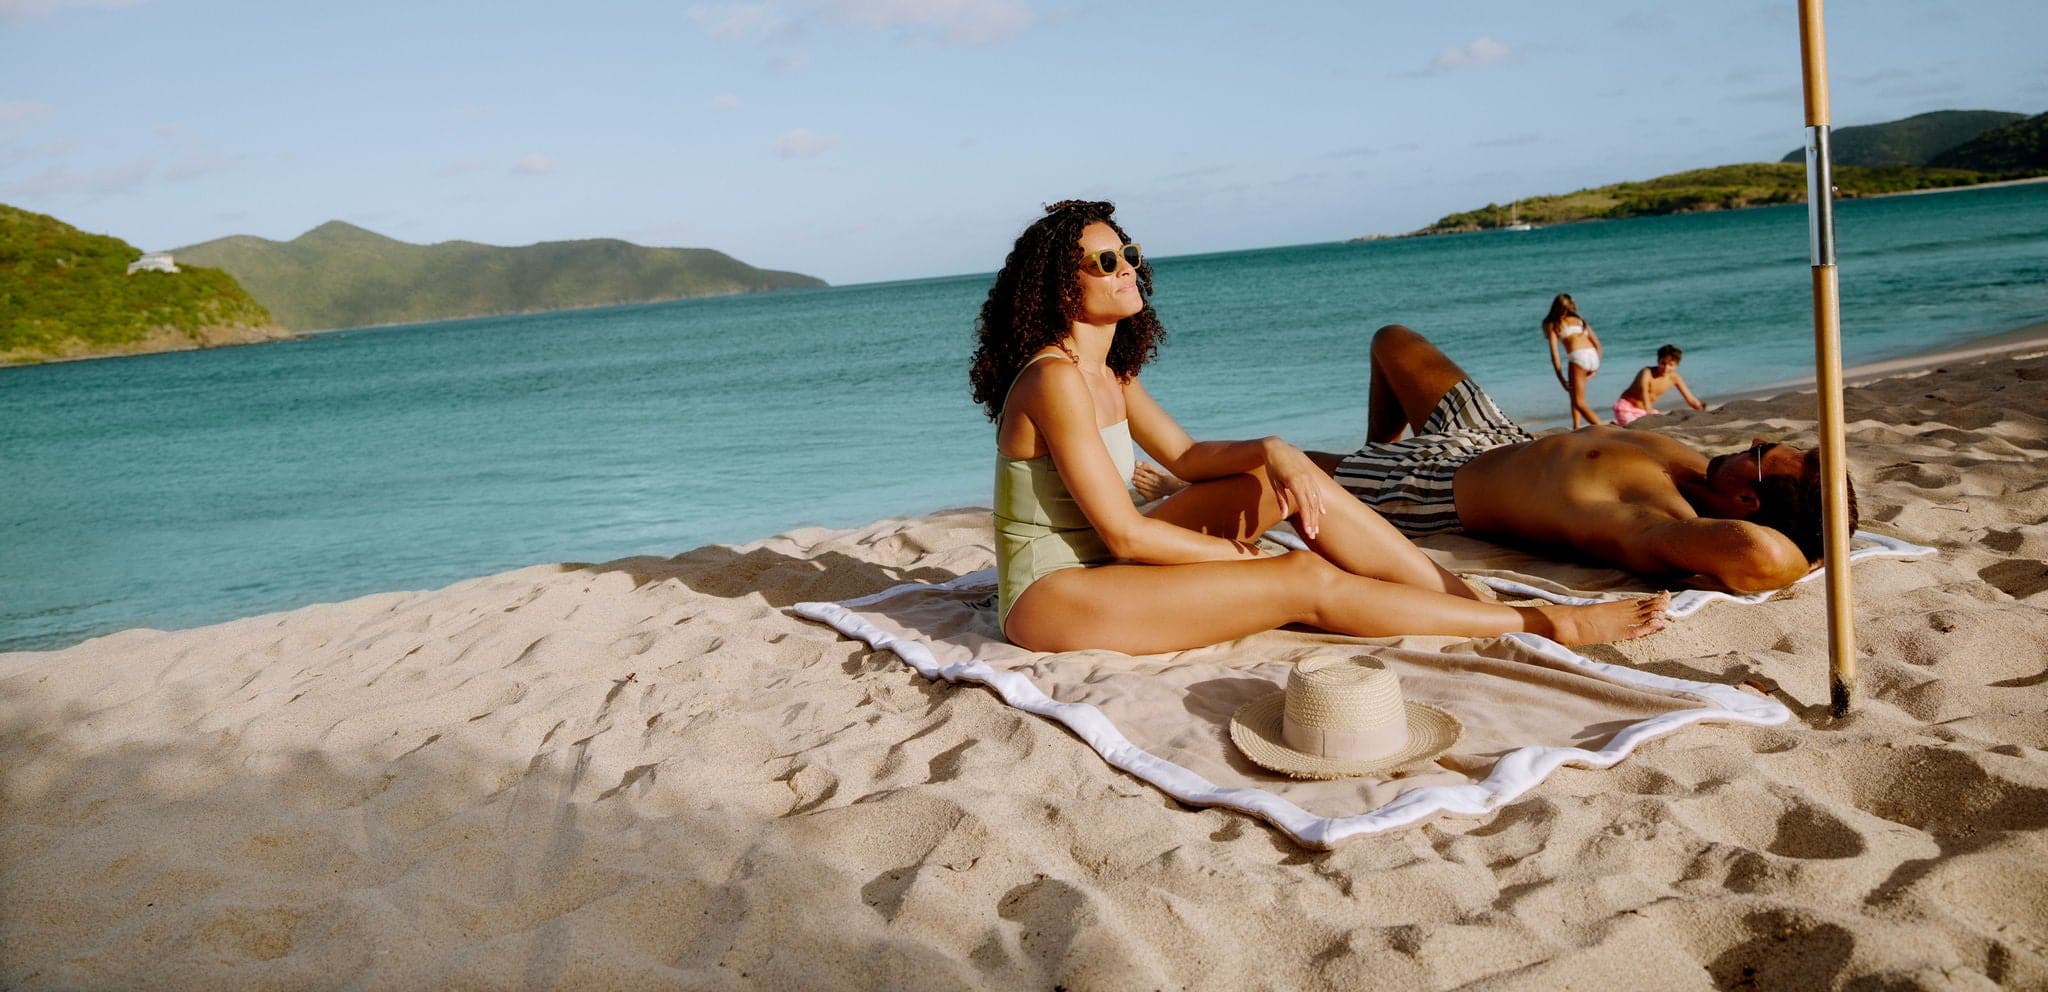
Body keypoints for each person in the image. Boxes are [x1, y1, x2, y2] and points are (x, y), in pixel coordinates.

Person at [968, 201, 1668, 655]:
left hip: (1109, 562)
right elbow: (1124, 532)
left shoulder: (1109, 371)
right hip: (1056, 596)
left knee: (1279, 482)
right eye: (1109, 261)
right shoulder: (1054, 378)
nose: (1131, 269)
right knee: (1300, 574)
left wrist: (1280, 453)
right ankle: (1547, 626)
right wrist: (1239, 560)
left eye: (1131, 253)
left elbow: (1183, 455)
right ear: (1062, 287)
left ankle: (1453, 599)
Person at [1136, 326, 1858, 594]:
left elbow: (1761, 557)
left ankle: (1356, 482)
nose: (1756, 444)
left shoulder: (1655, 521)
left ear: (1747, 503)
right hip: (1493, 432)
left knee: (1277, 472)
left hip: (1443, 486)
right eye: (1767, 444)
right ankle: (1365, 465)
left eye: (1764, 458)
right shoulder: (1694, 464)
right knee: (1394, 342)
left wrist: (1819, 555)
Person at [1542, 293, 1603, 428]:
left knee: (1579, 402)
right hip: (1593, 355)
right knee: (1574, 393)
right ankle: (1576, 426)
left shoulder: (1555, 324)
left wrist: (1561, 378)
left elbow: (1555, 354)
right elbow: (1597, 344)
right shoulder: (1579, 320)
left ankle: (1602, 428)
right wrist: (1596, 368)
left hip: (1578, 356)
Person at [1614, 344, 1707, 426]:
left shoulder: (1675, 378)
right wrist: (1648, 410)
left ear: (1676, 365)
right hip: (1626, 407)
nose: (1666, 368)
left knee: (1659, 425)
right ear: (1658, 360)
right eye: (1663, 363)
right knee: (1635, 427)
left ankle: (1618, 425)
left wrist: (1700, 408)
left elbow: (1690, 398)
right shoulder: (1647, 372)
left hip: (1643, 411)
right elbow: (1644, 392)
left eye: (1671, 365)